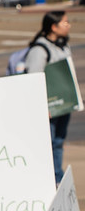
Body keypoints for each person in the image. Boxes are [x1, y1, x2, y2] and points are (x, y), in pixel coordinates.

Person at [25, 11, 72, 185]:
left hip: (64, 106)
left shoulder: (63, 46)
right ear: (54, 26)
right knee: (47, 145)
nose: (69, 25)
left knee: (59, 142)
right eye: (65, 23)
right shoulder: (40, 49)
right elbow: (33, 79)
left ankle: (57, 178)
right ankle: (47, 181)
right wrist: (42, 107)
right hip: (48, 109)